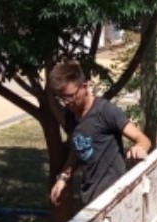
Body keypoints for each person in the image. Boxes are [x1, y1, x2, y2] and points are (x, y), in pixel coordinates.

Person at [48, 61, 151, 207]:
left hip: (114, 197)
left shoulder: (106, 111)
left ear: (84, 87)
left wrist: (139, 148)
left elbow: (143, 140)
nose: (66, 102)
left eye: (70, 96)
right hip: (89, 198)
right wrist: (63, 178)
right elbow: (77, 149)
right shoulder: (70, 116)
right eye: (61, 98)